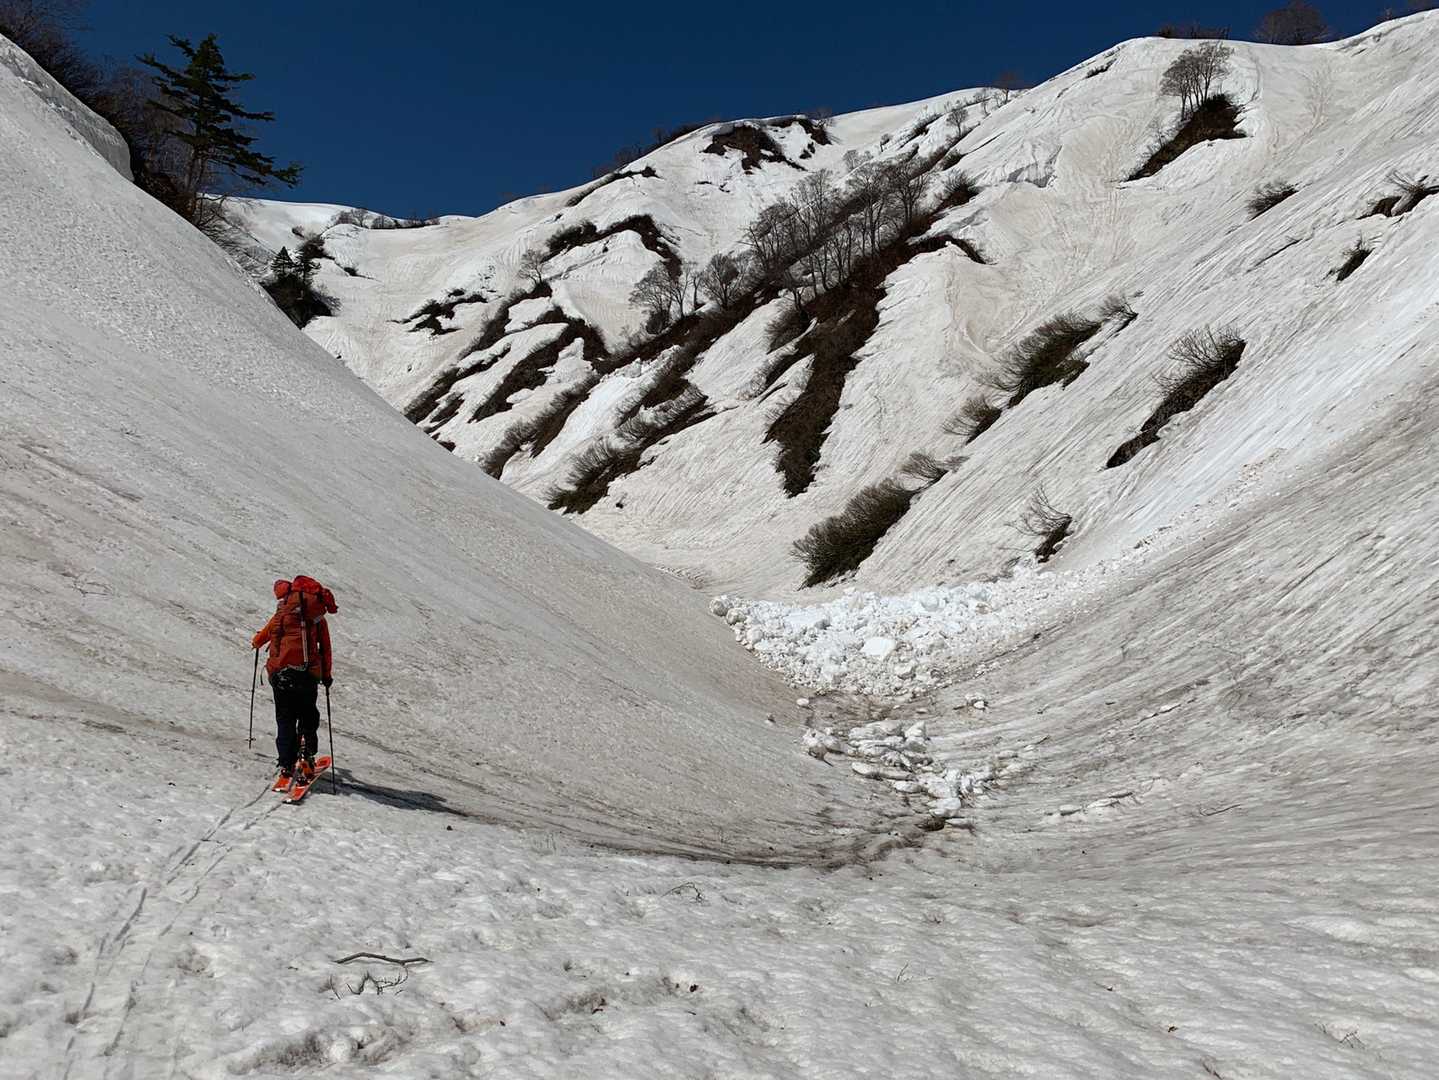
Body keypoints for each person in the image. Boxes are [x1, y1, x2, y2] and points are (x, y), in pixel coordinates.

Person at [251, 576, 337, 784]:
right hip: (308, 675)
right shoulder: (317, 618)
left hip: (280, 674)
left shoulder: (282, 612)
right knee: (308, 716)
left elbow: (261, 638)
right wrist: (326, 676)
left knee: (285, 719)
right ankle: (306, 755)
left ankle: (286, 764)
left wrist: (256, 642)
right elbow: (325, 649)